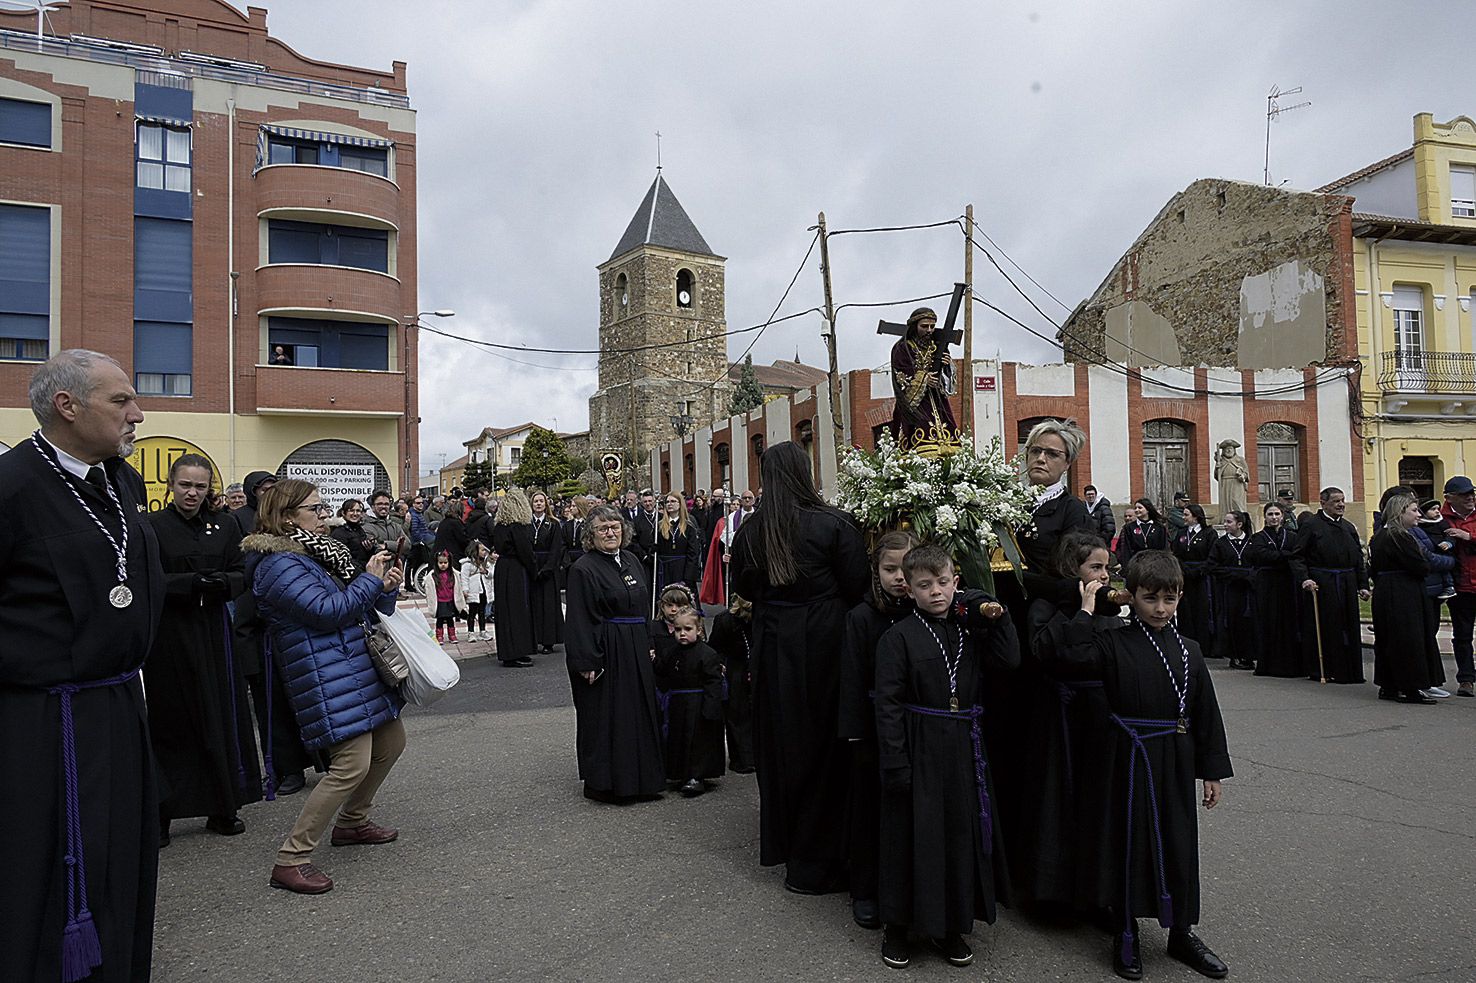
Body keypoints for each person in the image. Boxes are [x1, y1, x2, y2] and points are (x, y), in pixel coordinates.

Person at [1, 350, 164, 983]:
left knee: (123, 854)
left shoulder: (120, 478)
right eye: (121, 401)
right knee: (53, 864)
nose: (138, 414)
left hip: (120, 704)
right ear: (67, 407)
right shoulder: (12, 486)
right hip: (45, 722)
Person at [1056, 552, 1232, 982]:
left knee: (1177, 842)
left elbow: (1205, 712)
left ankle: (1182, 931)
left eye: (1169, 600)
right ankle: (1125, 928)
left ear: (1180, 598)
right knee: (1127, 842)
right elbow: (1071, 657)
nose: (1159, 608)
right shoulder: (1113, 639)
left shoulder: (1188, 651)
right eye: (1150, 598)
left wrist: (1211, 770)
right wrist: (1086, 609)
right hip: (1127, 758)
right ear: (1131, 596)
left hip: (1173, 758)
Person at [243, 480, 405, 895]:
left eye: (323, 506)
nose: (324, 514)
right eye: (315, 509)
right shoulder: (277, 564)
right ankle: (292, 857)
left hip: (349, 666)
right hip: (324, 673)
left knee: (391, 741)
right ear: (285, 517)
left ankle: (352, 822)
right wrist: (369, 582)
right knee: (350, 763)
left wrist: (384, 589)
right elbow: (326, 611)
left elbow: (356, 604)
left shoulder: (314, 554)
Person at [729, 441, 868, 894]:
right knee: (826, 743)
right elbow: (857, 587)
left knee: (783, 742)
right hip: (825, 641)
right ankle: (824, 856)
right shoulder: (833, 524)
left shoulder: (751, 531)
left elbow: (745, 587)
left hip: (774, 642)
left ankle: (791, 848)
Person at [874, 545, 1018, 970]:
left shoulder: (969, 631)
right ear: (910, 591)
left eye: (943, 583)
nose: (935, 592)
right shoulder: (896, 638)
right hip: (917, 745)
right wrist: (895, 763)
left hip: (961, 746)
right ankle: (898, 927)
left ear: (956, 582)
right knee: (911, 835)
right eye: (924, 585)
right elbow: (887, 706)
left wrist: (996, 613)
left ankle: (950, 925)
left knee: (957, 834)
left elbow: (1010, 662)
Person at [989, 417, 1093, 896]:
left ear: (1067, 464)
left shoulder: (1074, 514)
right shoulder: (1003, 506)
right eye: (1034, 450)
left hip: (1042, 637)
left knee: (1037, 748)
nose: (1040, 459)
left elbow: (1074, 580)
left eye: (1051, 454)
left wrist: (1039, 584)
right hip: (1000, 631)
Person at [148, 454, 261, 847]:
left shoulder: (225, 525)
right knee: (171, 720)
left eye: (200, 486)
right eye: (185, 485)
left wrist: (222, 584)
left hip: (214, 631)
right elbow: (150, 578)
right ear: (170, 485)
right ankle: (163, 811)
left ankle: (222, 805)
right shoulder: (152, 526)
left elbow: (242, 572)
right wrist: (189, 583)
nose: (192, 493)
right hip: (169, 636)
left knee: (220, 714)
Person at [1026, 531, 1121, 919]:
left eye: (1107, 568)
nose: (1104, 576)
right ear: (1073, 569)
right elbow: (1051, 651)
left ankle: (1098, 893)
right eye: (1094, 568)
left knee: (1098, 806)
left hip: (1099, 719)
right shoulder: (1046, 606)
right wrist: (1082, 611)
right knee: (1058, 804)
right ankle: (1055, 896)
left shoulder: (1110, 609)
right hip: (1062, 719)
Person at [838, 529, 918, 931]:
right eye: (890, 569)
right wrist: (854, 733)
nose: (899, 578)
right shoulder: (861, 616)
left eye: (906, 569)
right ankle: (865, 889)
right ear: (876, 570)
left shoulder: (923, 613)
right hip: (870, 728)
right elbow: (851, 677)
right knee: (869, 809)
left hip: (914, 724)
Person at [564, 504, 665, 802]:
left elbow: (644, 607)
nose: (611, 533)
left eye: (615, 527)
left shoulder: (632, 560)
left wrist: (649, 642)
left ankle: (644, 780)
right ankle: (609, 784)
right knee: (610, 717)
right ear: (590, 535)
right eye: (603, 529)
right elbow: (580, 619)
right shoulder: (583, 568)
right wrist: (587, 661)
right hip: (607, 650)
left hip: (635, 646)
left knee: (639, 712)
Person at [1289, 488, 1371, 684]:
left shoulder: (1349, 527)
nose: (1341, 504)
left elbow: (1358, 558)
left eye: (1342, 500)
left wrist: (1362, 584)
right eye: (1336, 501)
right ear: (1323, 503)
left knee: (1348, 626)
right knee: (1327, 627)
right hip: (1322, 583)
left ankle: (1349, 670)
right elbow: (1297, 556)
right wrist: (1305, 578)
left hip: (1347, 582)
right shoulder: (1311, 525)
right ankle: (1325, 669)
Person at [1370, 495, 1441, 705]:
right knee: (1408, 638)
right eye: (1414, 510)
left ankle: (1389, 685)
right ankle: (1409, 687)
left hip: (1387, 590)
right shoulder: (1399, 536)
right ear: (1400, 512)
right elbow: (1421, 565)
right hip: (1403, 592)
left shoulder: (1380, 535)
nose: (1418, 515)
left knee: (1389, 638)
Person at [653, 605, 725, 797]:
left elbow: (713, 682)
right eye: (678, 630)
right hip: (678, 703)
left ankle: (696, 776)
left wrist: (711, 707)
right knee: (679, 739)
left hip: (698, 703)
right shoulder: (671, 652)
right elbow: (662, 671)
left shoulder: (707, 654)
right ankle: (678, 773)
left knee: (698, 741)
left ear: (699, 630)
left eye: (687, 629)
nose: (682, 634)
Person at [888, 306, 959, 449]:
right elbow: (901, 374)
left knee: (948, 437)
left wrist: (946, 365)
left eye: (932, 326)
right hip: (915, 403)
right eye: (924, 326)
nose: (929, 330)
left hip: (937, 399)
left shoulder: (938, 346)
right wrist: (924, 378)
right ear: (915, 327)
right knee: (920, 438)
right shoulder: (903, 348)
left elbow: (947, 378)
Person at [1246, 503, 1302, 678]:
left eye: (1277, 514)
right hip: (1267, 583)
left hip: (1287, 582)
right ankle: (1267, 664)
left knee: (1288, 621)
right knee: (1268, 621)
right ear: (1265, 516)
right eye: (1270, 514)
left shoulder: (1291, 536)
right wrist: (1284, 555)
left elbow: (1297, 554)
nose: (1274, 517)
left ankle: (1290, 664)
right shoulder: (1258, 537)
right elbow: (1261, 555)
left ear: (1283, 516)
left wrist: (1282, 556)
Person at [1411, 501, 1456, 699]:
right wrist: (1450, 562)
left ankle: (1429, 680)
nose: (1417, 514)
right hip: (1421, 587)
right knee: (1423, 634)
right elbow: (1427, 557)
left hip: (1432, 586)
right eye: (1413, 510)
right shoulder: (1406, 533)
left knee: (1430, 633)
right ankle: (1421, 682)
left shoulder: (1434, 526)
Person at [708, 594, 756, 774]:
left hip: (758, 665)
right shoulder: (726, 620)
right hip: (735, 669)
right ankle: (743, 758)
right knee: (737, 714)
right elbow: (716, 648)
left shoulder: (764, 615)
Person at [491, 489, 537, 668]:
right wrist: (534, 570)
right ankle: (517, 651)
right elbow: (525, 552)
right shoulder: (518, 526)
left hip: (503, 569)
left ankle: (510, 651)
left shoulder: (499, 526)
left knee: (505, 611)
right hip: (516, 569)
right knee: (518, 610)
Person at [1440, 476, 1476, 697]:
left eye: (1472, 493)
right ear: (1450, 498)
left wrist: (1468, 536)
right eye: (1464, 494)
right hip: (1460, 586)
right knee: (1462, 635)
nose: (1470, 497)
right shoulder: (1440, 518)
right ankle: (1466, 679)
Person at [1208, 511, 1256, 670]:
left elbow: (1257, 563)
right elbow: (1213, 566)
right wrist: (1233, 575)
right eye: (1225, 522)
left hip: (1248, 589)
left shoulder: (1251, 542)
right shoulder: (1220, 544)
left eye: (1229, 522)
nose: (1226, 525)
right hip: (1229, 588)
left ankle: (1248, 655)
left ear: (1239, 524)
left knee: (1248, 622)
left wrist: (1249, 576)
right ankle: (1234, 655)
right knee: (1232, 621)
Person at [1171, 504, 1214, 648]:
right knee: (1185, 609)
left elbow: (1212, 555)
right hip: (1185, 575)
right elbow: (1176, 553)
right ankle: (1185, 640)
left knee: (1201, 609)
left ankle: (1204, 643)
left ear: (1196, 516)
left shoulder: (1208, 533)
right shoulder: (1182, 533)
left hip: (1201, 576)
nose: (1183, 518)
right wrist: (1184, 569)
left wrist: (1200, 570)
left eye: (1186, 515)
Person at [529, 491, 565, 654]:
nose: (538, 504)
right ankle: (535, 638)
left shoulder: (553, 523)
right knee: (534, 604)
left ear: (546, 504)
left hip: (548, 568)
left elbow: (556, 549)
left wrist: (548, 568)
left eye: (541, 501)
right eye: (535, 501)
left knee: (549, 605)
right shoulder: (527, 523)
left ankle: (548, 641)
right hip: (532, 566)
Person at [655, 491, 703, 592]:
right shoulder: (659, 526)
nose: (670, 504)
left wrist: (688, 576)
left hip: (683, 568)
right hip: (665, 570)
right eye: (667, 502)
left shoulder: (689, 526)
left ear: (680, 504)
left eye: (673, 501)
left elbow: (693, 553)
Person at [421, 550, 467, 644]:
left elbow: (458, 587)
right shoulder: (433, 576)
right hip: (439, 601)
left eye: (445, 562)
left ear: (449, 563)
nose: (443, 565)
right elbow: (428, 586)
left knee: (450, 619)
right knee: (440, 619)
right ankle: (439, 636)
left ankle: (452, 635)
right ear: (436, 563)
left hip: (450, 600)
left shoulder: (454, 574)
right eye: (440, 563)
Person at [1418, 499, 1457, 602]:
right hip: (1432, 553)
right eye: (1433, 509)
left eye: (1438, 509)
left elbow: (1450, 535)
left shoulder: (1442, 523)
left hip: (1444, 551)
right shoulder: (1419, 525)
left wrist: (1448, 543)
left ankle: (1449, 586)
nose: (1437, 511)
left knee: (1445, 571)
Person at [1117, 498, 1170, 570]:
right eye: (1135, 508)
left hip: (1155, 564)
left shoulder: (1159, 527)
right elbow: (1126, 549)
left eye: (1140, 508)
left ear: (1147, 509)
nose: (1136, 510)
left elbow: (1164, 547)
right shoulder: (1129, 527)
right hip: (1136, 564)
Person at [461, 541, 495, 643]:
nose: (484, 552)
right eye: (482, 550)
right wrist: (465, 590)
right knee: (472, 612)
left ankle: (483, 631)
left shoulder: (485, 563)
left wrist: (486, 572)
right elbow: (464, 578)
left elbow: (491, 574)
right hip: (473, 591)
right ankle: (470, 632)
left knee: (482, 612)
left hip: (483, 590)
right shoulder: (467, 564)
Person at [330, 499, 376, 571]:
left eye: (358, 511)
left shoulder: (360, 530)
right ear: (343, 513)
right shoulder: (338, 533)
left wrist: (370, 549)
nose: (355, 514)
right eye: (351, 510)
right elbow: (340, 559)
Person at [1213, 439, 1249, 515]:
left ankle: (1240, 518)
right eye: (1226, 449)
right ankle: (1226, 518)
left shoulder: (1240, 460)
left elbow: (1246, 473)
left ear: (1234, 450)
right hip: (1225, 484)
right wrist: (1217, 466)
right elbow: (1216, 476)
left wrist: (1242, 476)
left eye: (1230, 449)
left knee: (1236, 501)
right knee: (1225, 502)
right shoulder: (1221, 461)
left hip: (1237, 484)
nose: (1229, 451)